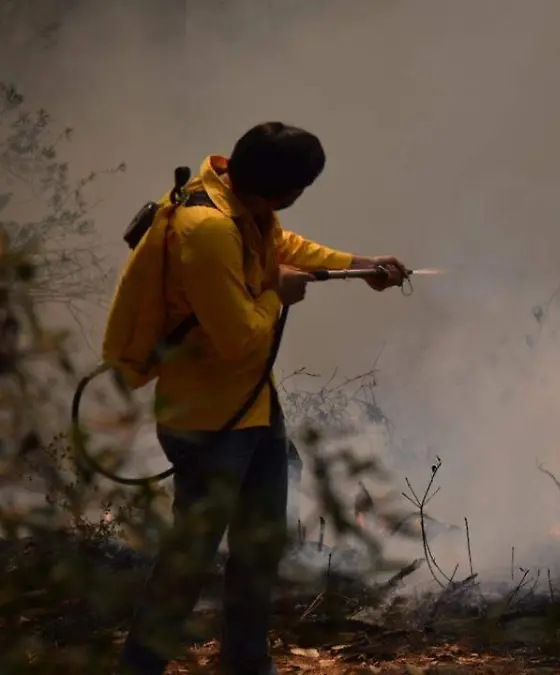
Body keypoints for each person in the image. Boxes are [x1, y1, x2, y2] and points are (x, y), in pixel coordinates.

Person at [105, 122, 408, 675]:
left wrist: (360, 267)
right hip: (206, 420)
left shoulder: (244, 209)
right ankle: (140, 666)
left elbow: (285, 247)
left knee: (259, 545)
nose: (298, 200)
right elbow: (237, 336)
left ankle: (247, 664)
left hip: (251, 410)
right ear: (279, 190)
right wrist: (278, 293)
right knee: (190, 557)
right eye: (299, 189)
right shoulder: (208, 230)